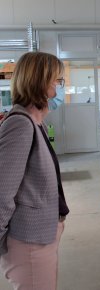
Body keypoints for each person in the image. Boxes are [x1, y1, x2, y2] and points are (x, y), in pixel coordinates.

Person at [0, 51, 70, 290]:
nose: (60, 88)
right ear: (39, 83)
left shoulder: (35, 122)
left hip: (42, 234)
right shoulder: (20, 124)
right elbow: (2, 191)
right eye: (57, 82)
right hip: (29, 242)